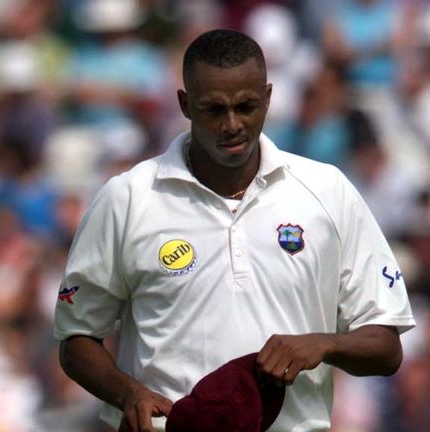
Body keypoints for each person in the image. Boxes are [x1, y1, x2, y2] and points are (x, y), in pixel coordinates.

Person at [54, 29, 415, 432]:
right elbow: (76, 339)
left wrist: (322, 343)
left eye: (246, 107)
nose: (232, 125)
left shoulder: (327, 191)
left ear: (269, 97)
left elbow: (386, 348)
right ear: (185, 104)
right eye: (213, 110)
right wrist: (128, 394)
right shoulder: (127, 198)